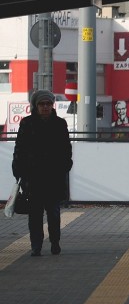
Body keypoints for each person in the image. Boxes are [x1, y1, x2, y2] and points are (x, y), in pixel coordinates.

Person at [12, 90, 73, 256]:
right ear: (35, 106)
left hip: (54, 177)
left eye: (48, 104)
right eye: (42, 104)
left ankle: (55, 243)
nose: (45, 107)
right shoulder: (27, 124)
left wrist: (65, 167)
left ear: (52, 105)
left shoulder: (60, 124)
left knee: (53, 213)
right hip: (33, 178)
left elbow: (66, 149)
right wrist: (18, 171)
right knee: (35, 215)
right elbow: (19, 149)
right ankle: (36, 246)